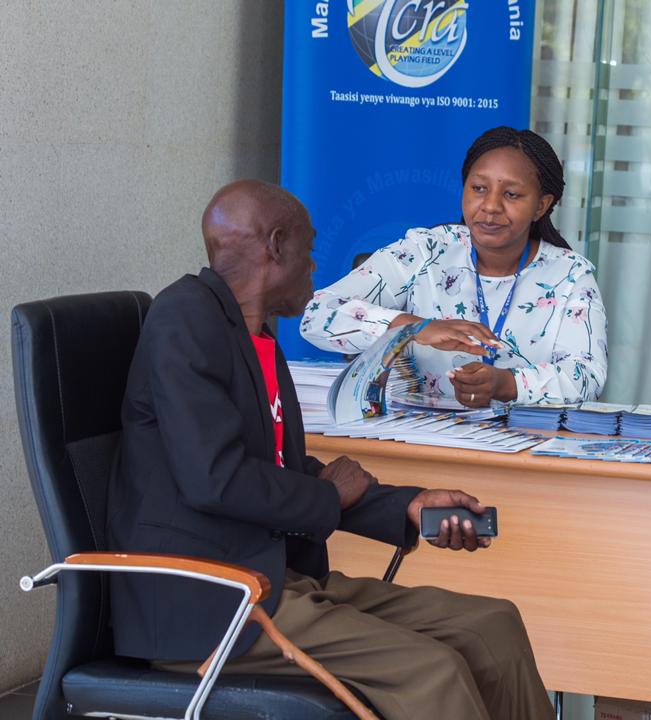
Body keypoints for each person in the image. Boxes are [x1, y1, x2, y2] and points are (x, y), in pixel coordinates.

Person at [107, 180, 554, 720]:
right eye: (309, 249)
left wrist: (407, 504)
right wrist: (328, 497)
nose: (315, 267)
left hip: (276, 579)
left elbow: (281, 471)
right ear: (276, 245)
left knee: (491, 626)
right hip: (208, 602)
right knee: (431, 669)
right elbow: (215, 479)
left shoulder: (253, 335)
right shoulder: (184, 319)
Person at [300, 126, 607, 407]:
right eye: (479, 188)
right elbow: (317, 315)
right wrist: (415, 328)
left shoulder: (569, 276)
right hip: (420, 437)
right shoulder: (425, 252)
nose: (490, 206)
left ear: (541, 205)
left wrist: (506, 384)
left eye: (511, 194)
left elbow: (588, 376)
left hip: (525, 442)